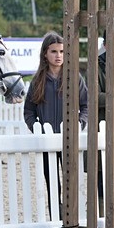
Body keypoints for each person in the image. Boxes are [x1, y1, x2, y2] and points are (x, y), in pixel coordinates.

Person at [24, 32, 89, 205]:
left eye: (62, 51)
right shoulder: (37, 81)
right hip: (47, 141)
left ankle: (71, 219)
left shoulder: (75, 78)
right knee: (52, 184)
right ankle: (56, 217)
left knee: (71, 184)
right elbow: (29, 111)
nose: (58, 56)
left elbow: (86, 105)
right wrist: (35, 127)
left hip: (69, 141)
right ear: (45, 53)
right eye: (54, 51)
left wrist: (80, 123)